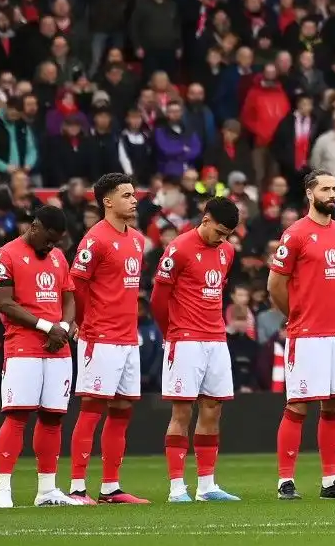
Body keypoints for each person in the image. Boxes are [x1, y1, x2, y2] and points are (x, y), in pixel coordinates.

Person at [267, 169, 335, 500]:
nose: (332, 194)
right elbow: (274, 285)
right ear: (310, 193)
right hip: (307, 334)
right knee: (298, 406)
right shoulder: (295, 234)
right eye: (325, 189)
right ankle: (285, 481)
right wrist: (295, 314)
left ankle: (330, 480)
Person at [0, 204, 81, 508]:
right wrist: (47, 327)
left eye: (57, 241)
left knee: (53, 418)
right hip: (23, 346)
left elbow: (69, 298)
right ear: (35, 227)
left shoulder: (57, 257)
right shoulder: (7, 255)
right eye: (49, 238)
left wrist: (64, 328)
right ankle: (3, 489)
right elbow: (5, 303)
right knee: (17, 416)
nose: (52, 246)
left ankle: (47, 490)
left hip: (58, 348)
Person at [149, 196, 241, 503]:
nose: (223, 239)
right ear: (205, 220)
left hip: (216, 338)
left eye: (228, 234)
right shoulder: (179, 249)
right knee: (182, 410)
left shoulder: (227, 251)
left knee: (213, 408)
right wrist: (171, 335)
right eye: (219, 232)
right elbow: (158, 300)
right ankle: (177, 487)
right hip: (185, 339)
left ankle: (206, 486)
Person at [67, 173, 151, 503]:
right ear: (107, 201)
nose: (134, 200)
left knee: (122, 410)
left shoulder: (137, 240)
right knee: (92, 409)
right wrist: (84, 324)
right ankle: (76, 487)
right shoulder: (95, 240)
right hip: (100, 337)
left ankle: (110, 487)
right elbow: (78, 285)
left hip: (128, 337)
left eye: (134, 194)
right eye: (127, 195)